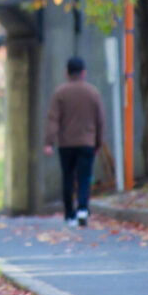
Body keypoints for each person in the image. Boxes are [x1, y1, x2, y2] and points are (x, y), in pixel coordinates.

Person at [43, 56, 106, 228]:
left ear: (66, 73)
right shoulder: (93, 93)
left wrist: (49, 142)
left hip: (66, 144)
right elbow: (100, 120)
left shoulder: (60, 93)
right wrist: (98, 142)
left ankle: (69, 214)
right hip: (87, 143)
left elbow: (53, 119)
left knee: (68, 177)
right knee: (84, 177)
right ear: (84, 73)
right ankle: (83, 209)